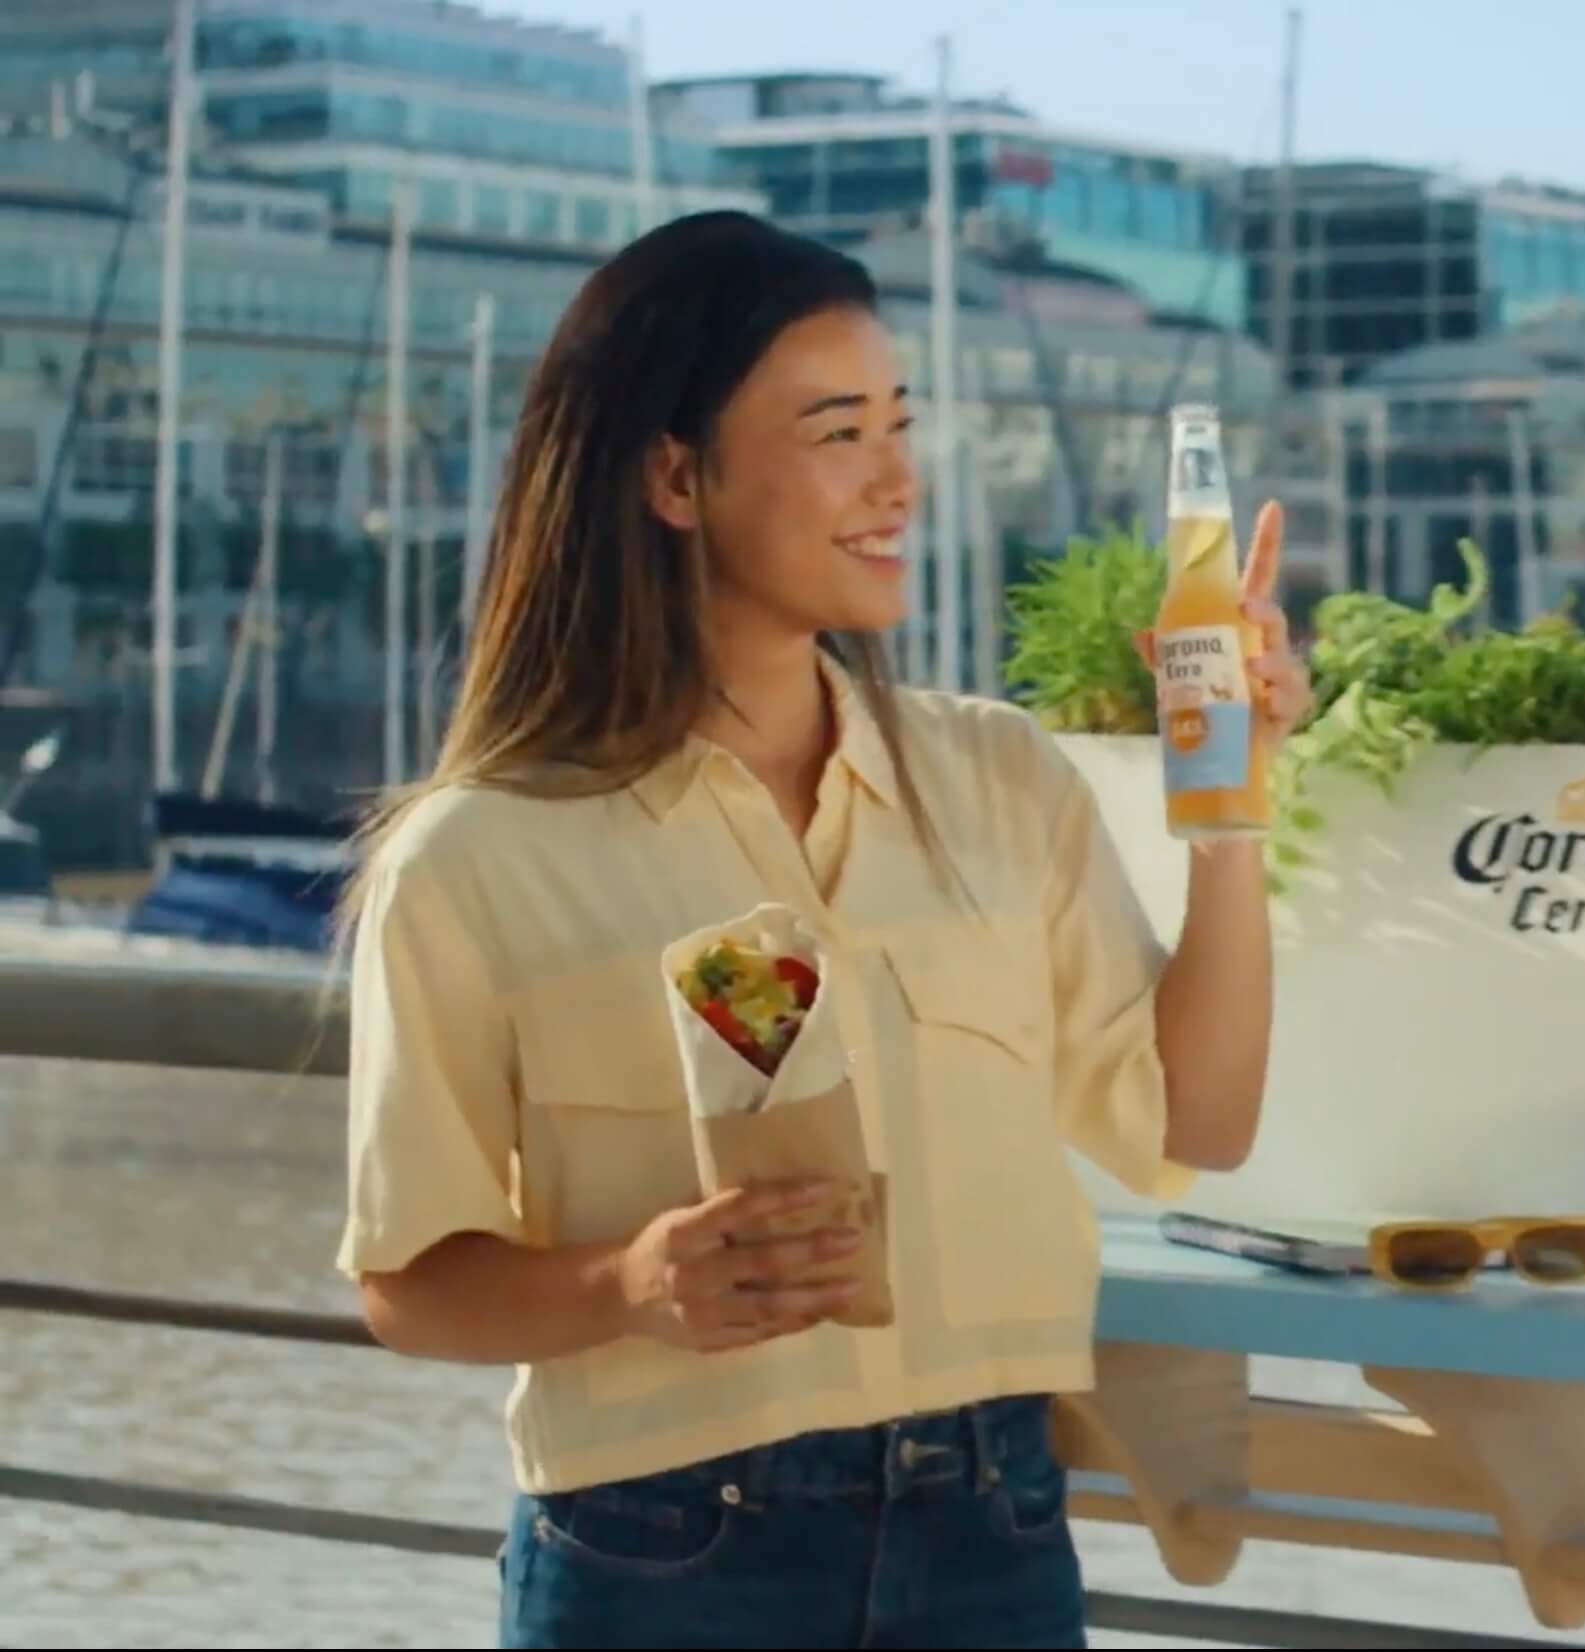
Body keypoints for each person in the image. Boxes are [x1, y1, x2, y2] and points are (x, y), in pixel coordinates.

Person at [334, 211, 1309, 1650]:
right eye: (839, 431)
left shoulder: (997, 780)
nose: (900, 481)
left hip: (994, 1531)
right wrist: (631, 1283)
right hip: (662, 1555)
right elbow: (407, 1282)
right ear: (676, 475)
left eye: (900, 425)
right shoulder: (477, 857)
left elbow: (1201, 1122)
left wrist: (1226, 811)